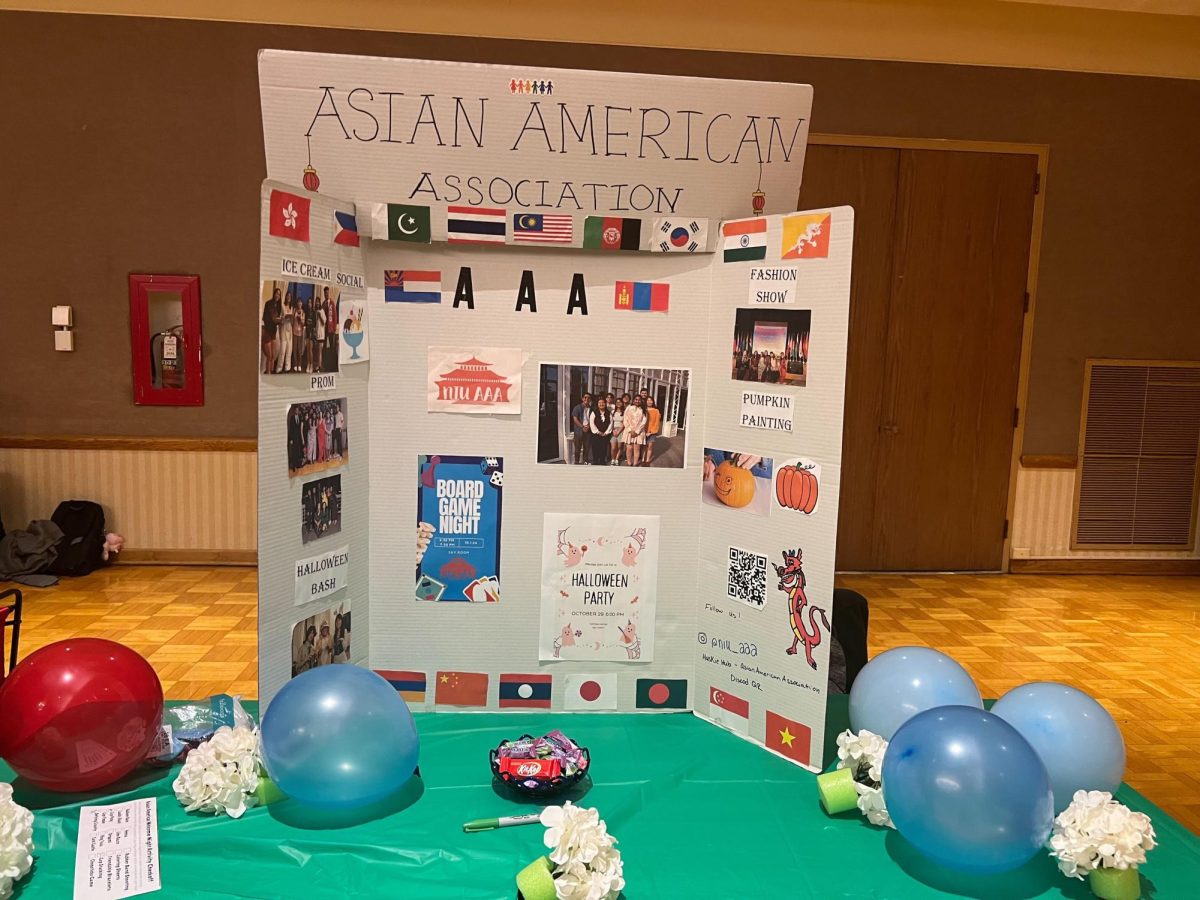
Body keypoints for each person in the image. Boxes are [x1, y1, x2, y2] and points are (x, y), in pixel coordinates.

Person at [261, 287, 282, 374]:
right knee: (269, 355)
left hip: (274, 331)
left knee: (272, 356)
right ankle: (268, 373)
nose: (278, 295)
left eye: (279, 294)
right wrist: (272, 320)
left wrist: (278, 321)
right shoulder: (268, 303)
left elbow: (277, 320)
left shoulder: (279, 306)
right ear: (274, 294)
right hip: (268, 331)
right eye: (277, 293)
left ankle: (270, 373)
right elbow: (264, 318)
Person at [589, 396, 613, 466]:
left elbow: (611, 423)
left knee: (604, 448)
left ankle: (602, 461)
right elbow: (591, 423)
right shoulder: (594, 412)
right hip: (596, 434)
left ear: (605, 404)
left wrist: (606, 432)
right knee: (595, 448)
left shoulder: (609, 413)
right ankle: (595, 461)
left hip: (605, 435)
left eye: (603, 402)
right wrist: (598, 432)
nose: (601, 404)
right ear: (597, 404)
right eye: (600, 403)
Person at [624, 396, 647, 468]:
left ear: (641, 401)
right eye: (636, 399)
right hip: (629, 431)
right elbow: (625, 419)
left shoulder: (643, 410)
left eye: (639, 400)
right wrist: (630, 430)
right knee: (629, 448)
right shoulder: (629, 408)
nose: (637, 401)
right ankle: (629, 462)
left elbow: (644, 421)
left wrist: (637, 431)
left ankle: (635, 464)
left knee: (636, 448)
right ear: (633, 400)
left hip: (639, 432)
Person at [570, 393, 592, 464]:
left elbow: (593, 419)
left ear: (590, 399)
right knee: (577, 449)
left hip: (588, 430)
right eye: (585, 397)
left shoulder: (591, 409)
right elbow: (575, 419)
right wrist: (582, 426)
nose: (587, 399)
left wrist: (589, 426)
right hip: (579, 431)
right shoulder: (577, 407)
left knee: (587, 448)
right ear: (582, 398)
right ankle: (576, 462)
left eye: (588, 398)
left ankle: (585, 461)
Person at [277, 291, 294, 373]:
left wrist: (292, 318)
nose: (288, 298)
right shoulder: (282, 306)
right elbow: (280, 319)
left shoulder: (292, 308)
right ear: (286, 297)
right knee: (282, 350)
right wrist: (285, 317)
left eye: (290, 296)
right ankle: (279, 368)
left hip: (290, 330)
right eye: (287, 296)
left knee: (289, 350)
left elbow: (293, 321)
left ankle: (287, 367)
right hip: (283, 330)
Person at [643, 397, 662, 466]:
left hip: (652, 432)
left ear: (653, 402)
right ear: (646, 401)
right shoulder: (643, 410)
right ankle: (643, 459)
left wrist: (650, 432)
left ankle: (647, 461)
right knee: (644, 447)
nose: (649, 402)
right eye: (648, 400)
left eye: (651, 400)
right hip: (642, 431)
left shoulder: (656, 411)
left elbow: (657, 422)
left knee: (650, 446)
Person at [291, 298, 306, 373]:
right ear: (297, 304)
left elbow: (304, 324)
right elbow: (292, 321)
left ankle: (299, 364)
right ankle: (295, 364)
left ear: (302, 304)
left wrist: (301, 320)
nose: (299, 304)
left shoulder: (303, 312)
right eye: (298, 302)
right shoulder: (294, 311)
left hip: (300, 333)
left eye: (300, 302)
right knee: (294, 348)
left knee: (299, 349)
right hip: (294, 332)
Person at [610, 397, 626, 465]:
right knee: (613, 447)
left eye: (620, 402)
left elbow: (624, 423)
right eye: (617, 402)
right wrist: (613, 430)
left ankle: (616, 459)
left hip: (621, 430)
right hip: (613, 431)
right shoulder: (613, 412)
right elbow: (611, 422)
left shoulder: (624, 412)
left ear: (622, 403)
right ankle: (613, 459)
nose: (618, 403)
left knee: (619, 447)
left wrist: (619, 431)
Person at [287, 405, 303, 472]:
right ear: (294, 411)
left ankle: (297, 465)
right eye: (296, 410)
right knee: (293, 452)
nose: (297, 411)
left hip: (298, 438)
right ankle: (293, 466)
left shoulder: (299, 417)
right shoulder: (292, 418)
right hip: (293, 438)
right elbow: (290, 429)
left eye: (297, 410)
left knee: (297, 452)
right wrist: (290, 439)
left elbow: (300, 429)